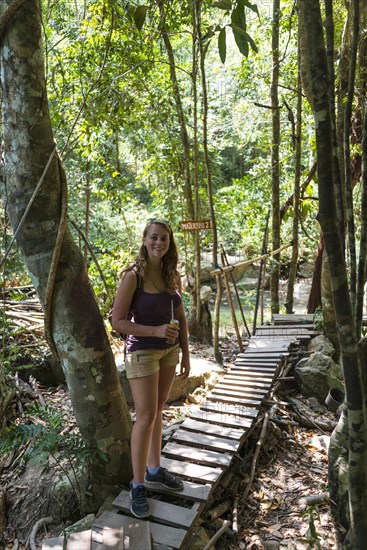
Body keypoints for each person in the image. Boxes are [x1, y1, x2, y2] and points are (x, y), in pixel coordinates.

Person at [111, 218, 191, 519]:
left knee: (158, 410)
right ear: (145, 240)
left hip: (169, 354)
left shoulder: (172, 274)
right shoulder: (134, 276)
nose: (159, 243)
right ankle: (138, 484)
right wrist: (155, 332)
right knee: (145, 416)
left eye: (165, 239)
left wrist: (186, 352)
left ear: (170, 244)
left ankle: (155, 469)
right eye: (154, 238)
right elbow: (116, 321)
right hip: (142, 352)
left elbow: (181, 317)